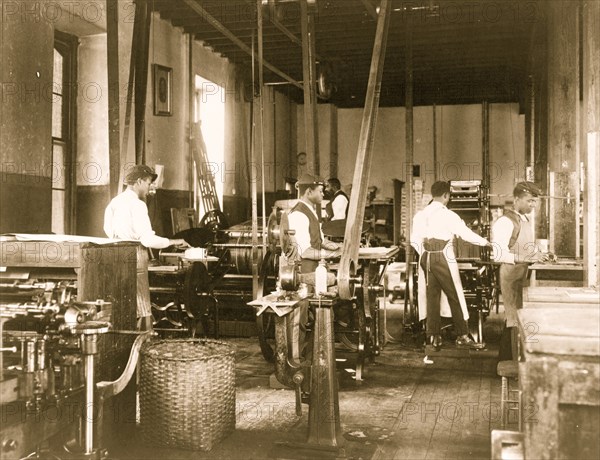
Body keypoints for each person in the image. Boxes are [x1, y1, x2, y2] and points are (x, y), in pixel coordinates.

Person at [104, 164, 189, 330]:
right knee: (140, 304)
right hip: (134, 258)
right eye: (149, 183)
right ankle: (141, 342)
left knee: (121, 303)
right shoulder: (137, 205)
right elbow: (148, 240)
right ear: (138, 181)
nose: (150, 186)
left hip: (115, 255)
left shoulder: (114, 202)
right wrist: (173, 242)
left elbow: (107, 230)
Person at [410, 181, 492, 351]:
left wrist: (426, 252)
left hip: (426, 257)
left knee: (432, 296)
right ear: (446, 196)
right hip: (442, 257)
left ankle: (433, 338)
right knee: (454, 295)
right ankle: (462, 336)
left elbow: (414, 240)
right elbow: (466, 234)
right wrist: (485, 242)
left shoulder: (420, 215)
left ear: (433, 195)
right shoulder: (448, 215)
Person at [491, 181, 549, 360]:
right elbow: (499, 254)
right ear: (516, 200)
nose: (533, 205)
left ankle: (512, 361)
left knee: (519, 317)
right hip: (510, 273)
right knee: (513, 318)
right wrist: (527, 258)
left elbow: (525, 247)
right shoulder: (505, 222)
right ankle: (506, 363)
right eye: (529, 201)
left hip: (522, 272)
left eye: (534, 202)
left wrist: (540, 254)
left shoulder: (524, 219)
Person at [287, 174, 341, 273]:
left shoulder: (310, 211)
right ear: (309, 192)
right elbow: (305, 252)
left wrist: (339, 247)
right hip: (304, 271)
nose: (323, 194)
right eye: (320, 191)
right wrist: (332, 254)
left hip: (315, 268)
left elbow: (320, 241)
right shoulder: (298, 215)